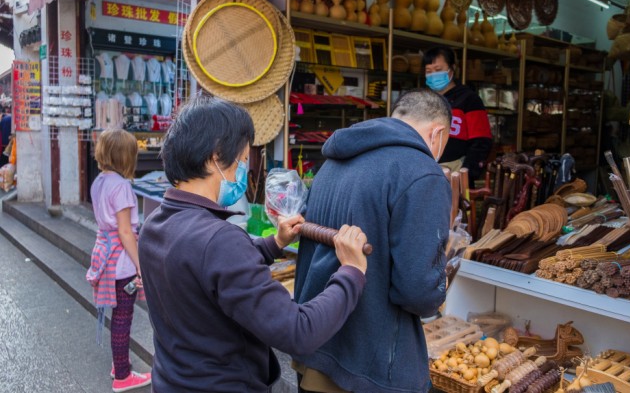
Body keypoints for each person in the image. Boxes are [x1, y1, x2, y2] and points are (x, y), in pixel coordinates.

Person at [137, 96, 369, 393]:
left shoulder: (156, 223)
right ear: (216, 156)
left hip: (171, 381)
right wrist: (351, 272)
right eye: (243, 160)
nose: (245, 170)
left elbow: (206, 272)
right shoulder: (218, 240)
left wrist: (275, 242)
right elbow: (298, 331)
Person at [293, 89, 453, 393]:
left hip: (315, 350)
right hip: (371, 367)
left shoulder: (333, 161)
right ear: (438, 133)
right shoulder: (422, 172)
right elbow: (417, 291)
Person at [85, 129, 151, 393]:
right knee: (123, 317)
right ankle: (122, 375)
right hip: (120, 262)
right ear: (127, 157)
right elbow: (125, 231)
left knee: (118, 316)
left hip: (104, 252)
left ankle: (119, 362)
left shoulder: (99, 181)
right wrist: (140, 265)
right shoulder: (122, 186)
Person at [424, 46, 493, 184]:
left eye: (438, 70)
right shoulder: (423, 100)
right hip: (426, 172)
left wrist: (467, 173)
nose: (433, 75)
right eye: (428, 71)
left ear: (452, 68)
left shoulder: (469, 99)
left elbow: (481, 141)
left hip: (456, 173)